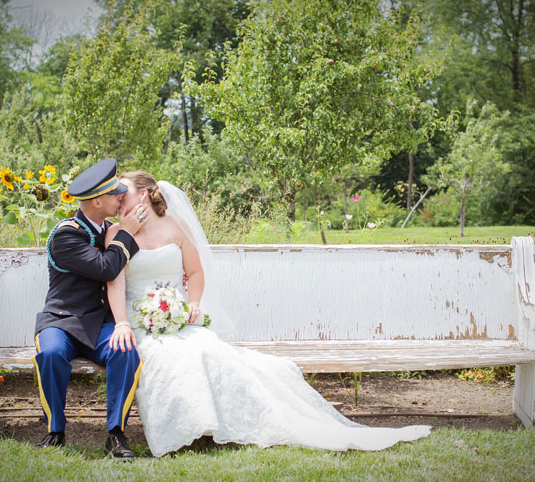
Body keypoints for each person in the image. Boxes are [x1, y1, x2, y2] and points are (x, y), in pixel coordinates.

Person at [106, 171, 432, 457]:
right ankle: (193, 426)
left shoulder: (173, 226)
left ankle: (220, 424)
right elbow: (115, 283)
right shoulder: (115, 234)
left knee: (209, 350)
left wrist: (192, 305)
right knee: (172, 359)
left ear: (146, 193)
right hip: (139, 324)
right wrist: (122, 322)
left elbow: (196, 272)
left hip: (178, 321)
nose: (118, 198)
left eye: (124, 191)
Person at [32, 158, 150, 460]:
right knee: (50, 354)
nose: (121, 197)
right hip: (62, 322)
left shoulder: (111, 229)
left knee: (125, 351)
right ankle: (55, 431)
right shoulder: (66, 234)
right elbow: (107, 267)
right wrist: (126, 233)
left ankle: (115, 434)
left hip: (99, 325)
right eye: (115, 194)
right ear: (97, 201)